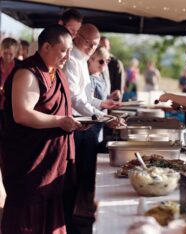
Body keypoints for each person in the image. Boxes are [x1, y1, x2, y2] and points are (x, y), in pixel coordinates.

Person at [1, 25, 82, 233]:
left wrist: (74, 121)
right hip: (30, 161)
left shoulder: (55, 73)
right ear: (46, 47)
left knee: (50, 213)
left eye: (70, 51)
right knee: (26, 218)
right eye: (63, 50)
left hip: (51, 161)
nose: (67, 57)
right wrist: (60, 121)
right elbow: (22, 114)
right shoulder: (28, 72)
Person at [63, 24, 121, 230]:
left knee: (79, 178)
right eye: (89, 42)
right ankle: (68, 223)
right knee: (72, 179)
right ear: (78, 36)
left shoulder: (82, 60)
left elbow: (86, 98)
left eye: (95, 44)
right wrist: (103, 117)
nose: (92, 47)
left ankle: (73, 219)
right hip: (75, 128)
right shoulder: (71, 60)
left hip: (85, 123)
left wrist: (102, 105)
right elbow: (75, 99)